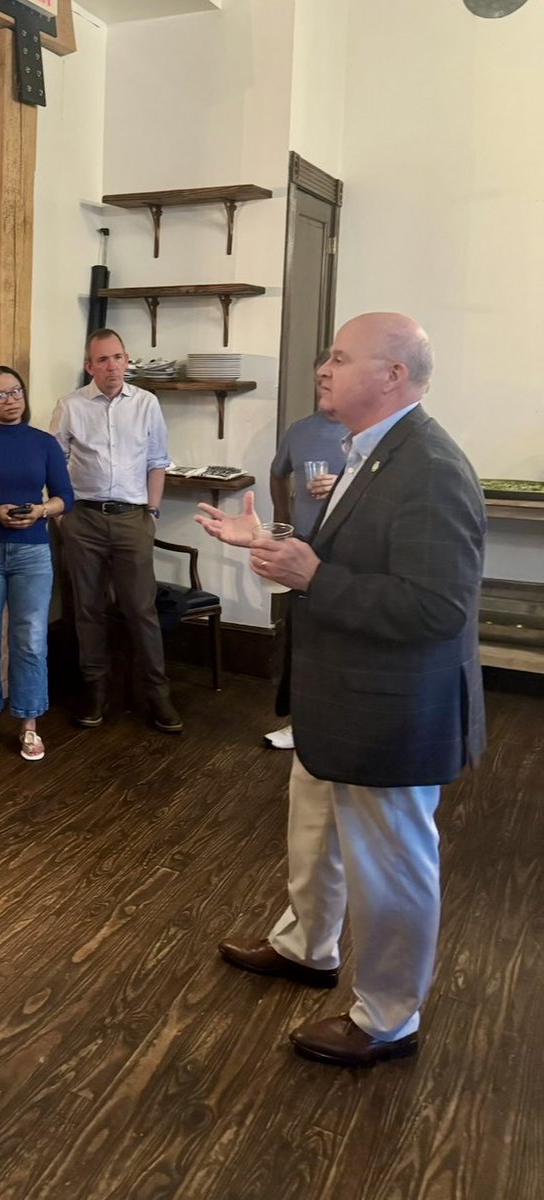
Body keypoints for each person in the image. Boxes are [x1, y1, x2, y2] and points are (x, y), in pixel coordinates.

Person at [195, 312, 486, 1067]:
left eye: (338, 357)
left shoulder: (430, 468)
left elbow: (437, 607)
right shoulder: (371, 453)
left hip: (390, 713)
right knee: (313, 831)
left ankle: (388, 1018)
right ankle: (306, 947)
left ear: (392, 375)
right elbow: (343, 557)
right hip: (340, 700)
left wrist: (314, 575)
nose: (322, 369)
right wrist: (265, 543)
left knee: (391, 867)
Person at [50, 328, 181, 733]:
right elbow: (54, 463)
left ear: (128, 361)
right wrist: (62, 517)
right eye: (102, 359)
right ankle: (95, 689)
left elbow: (157, 460)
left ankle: (157, 693)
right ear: (89, 365)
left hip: (132, 518)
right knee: (87, 608)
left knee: (140, 608)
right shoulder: (70, 406)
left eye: (118, 358)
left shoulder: (146, 404)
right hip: (83, 518)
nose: (111, 366)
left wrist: (153, 512)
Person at [0, 366, 73, 761]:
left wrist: (40, 510)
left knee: (31, 639)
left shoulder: (44, 443)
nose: (12, 400)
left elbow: (64, 498)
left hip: (32, 552)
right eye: (1, 395)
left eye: (16, 391)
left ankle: (28, 724)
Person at [263, 349, 346, 751]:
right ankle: (300, 724)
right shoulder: (300, 430)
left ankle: (343, 723)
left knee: (342, 639)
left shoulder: (366, 433)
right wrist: (283, 519)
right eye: (320, 379)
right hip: (304, 545)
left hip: (349, 551)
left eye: (332, 378)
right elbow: (278, 474)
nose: (325, 385)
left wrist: (342, 486)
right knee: (302, 640)